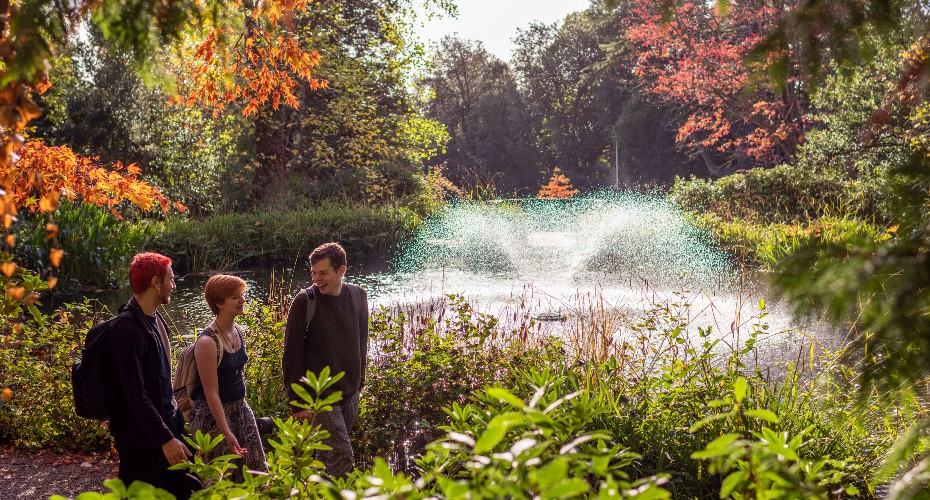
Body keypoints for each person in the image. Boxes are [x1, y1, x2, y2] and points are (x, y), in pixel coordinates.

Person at [107, 252, 200, 499]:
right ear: (156, 283)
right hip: (140, 441)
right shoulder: (127, 331)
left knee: (189, 487)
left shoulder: (156, 320)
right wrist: (165, 439)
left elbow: (161, 385)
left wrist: (176, 428)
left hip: (165, 428)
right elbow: (135, 396)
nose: (174, 284)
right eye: (171, 279)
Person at [282, 242, 369, 477]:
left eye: (323, 273)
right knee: (341, 457)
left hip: (350, 394)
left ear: (341, 271)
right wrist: (297, 403)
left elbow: (362, 342)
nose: (316, 278)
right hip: (319, 398)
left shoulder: (358, 296)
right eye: (313, 272)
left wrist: (360, 382)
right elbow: (291, 355)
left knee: (326, 458)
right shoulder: (305, 301)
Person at [189, 274, 268, 481]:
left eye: (241, 295)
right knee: (221, 480)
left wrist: (244, 411)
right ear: (218, 303)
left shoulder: (239, 331)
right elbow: (211, 393)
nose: (242, 300)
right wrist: (226, 432)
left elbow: (238, 376)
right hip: (213, 418)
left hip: (240, 410)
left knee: (256, 471)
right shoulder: (207, 342)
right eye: (235, 297)